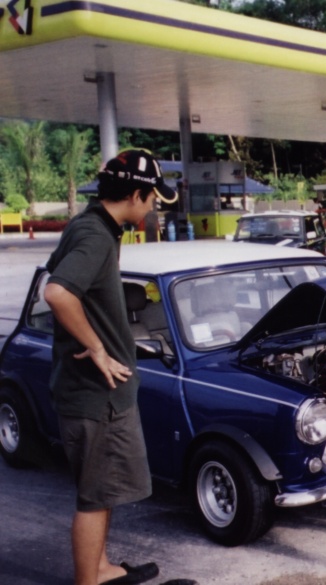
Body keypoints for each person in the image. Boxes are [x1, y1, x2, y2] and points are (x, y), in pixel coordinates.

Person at [44, 150, 178, 585]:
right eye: (153, 198)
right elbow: (58, 293)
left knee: (102, 491)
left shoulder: (95, 225)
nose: (154, 207)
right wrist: (98, 348)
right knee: (93, 497)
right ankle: (90, 579)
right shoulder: (96, 236)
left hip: (96, 393)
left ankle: (100, 569)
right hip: (95, 396)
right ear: (136, 194)